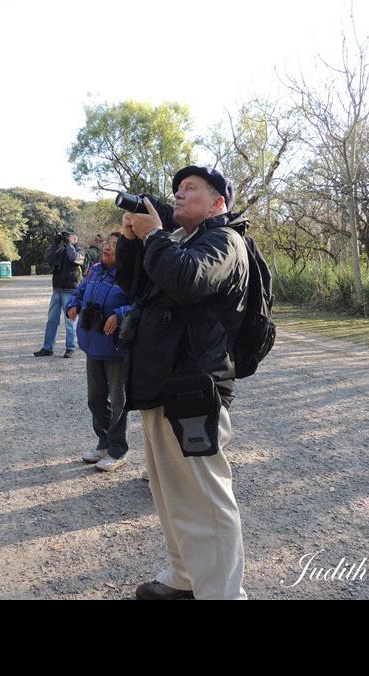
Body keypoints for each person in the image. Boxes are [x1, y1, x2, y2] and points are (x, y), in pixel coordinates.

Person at [119, 166, 250, 600]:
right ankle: (186, 576)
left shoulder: (225, 240)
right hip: (163, 386)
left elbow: (188, 280)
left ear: (218, 203)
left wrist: (155, 236)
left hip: (195, 391)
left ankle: (222, 593)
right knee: (171, 494)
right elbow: (134, 286)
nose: (178, 194)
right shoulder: (180, 241)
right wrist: (133, 242)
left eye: (190, 189)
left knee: (206, 500)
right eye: (177, 188)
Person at [65, 232, 132, 472]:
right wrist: (73, 304)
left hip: (115, 348)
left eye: (114, 245)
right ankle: (103, 444)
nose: (107, 248)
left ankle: (118, 450)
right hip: (92, 345)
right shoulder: (94, 270)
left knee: (118, 402)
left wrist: (119, 314)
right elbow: (79, 292)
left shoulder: (129, 274)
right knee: (95, 399)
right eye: (106, 243)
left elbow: (140, 305)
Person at [34, 231, 84, 358]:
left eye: (70, 236)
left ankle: (70, 348)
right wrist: (55, 243)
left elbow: (74, 258)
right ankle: (47, 348)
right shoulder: (61, 250)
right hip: (57, 290)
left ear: (75, 238)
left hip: (71, 291)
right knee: (52, 320)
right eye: (66, 237)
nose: (67, 238)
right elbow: (48, 257)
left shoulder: (80, 250)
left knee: (70, 321)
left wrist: (69, 244)